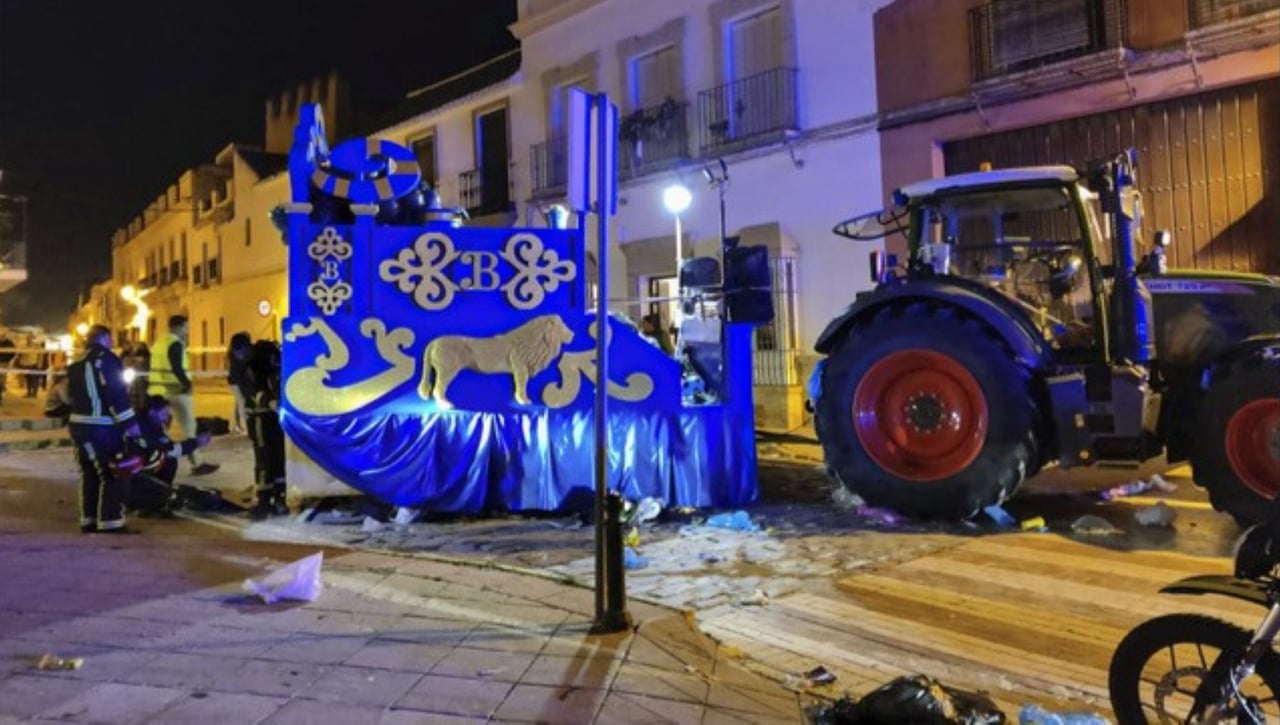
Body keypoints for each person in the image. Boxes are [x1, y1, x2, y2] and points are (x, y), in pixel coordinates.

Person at [67, 324, 139, 533]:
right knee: (112, 472)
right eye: (111, 338)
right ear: (105, 338)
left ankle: (88, 519)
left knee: (89, 473)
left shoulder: (76, 362)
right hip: (101, 426)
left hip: (79, 425)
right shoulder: (107, 359)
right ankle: (110, 521)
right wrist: (129, 422)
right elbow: (116, 393)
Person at [149, 315, 219, 476]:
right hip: (178, 391)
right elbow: (177, 368)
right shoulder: (175, 344)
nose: (187, 332)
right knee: (189, 428)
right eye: (186, 328)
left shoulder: (160, 343)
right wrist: (187, 384)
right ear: (177, 327)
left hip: (161, 390)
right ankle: (197, 463)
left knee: (159, 429)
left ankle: (154, 459)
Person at [125, 395, 214, 517]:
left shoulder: (150, 423)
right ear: (152, 412)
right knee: (165, 459)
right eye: (164, 413)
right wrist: (196, 442)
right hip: (128, 479)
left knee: (167, 460)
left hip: (133, 474)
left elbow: (169, 447)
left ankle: (152, 499)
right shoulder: (144, 427)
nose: (167, 417)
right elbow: (170, 450)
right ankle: (146, 501)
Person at [239, 339, 287, 519]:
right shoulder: (254, 370)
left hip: (270, 419)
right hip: (262, 419)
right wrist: (269, 401)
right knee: (267, 459)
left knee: (275, 459)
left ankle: (274, 498)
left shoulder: (263, 369)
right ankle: (267, 499)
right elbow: (253, 395)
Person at [227, 332, 251, 435]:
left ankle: (234, 426)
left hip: (233, 381)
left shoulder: (232, 352)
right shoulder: (238, 354)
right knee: (242, 404)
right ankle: (245, 427)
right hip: (237, 382)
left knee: (238, 403)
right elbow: (240, 369)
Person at [0, 331, 14, 403]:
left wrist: (7, 360)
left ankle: (1, 398)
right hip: (4, 362)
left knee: (2, 381)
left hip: (4, 363)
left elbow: (12, 353)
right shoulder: (10, 343)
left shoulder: (9, 343)